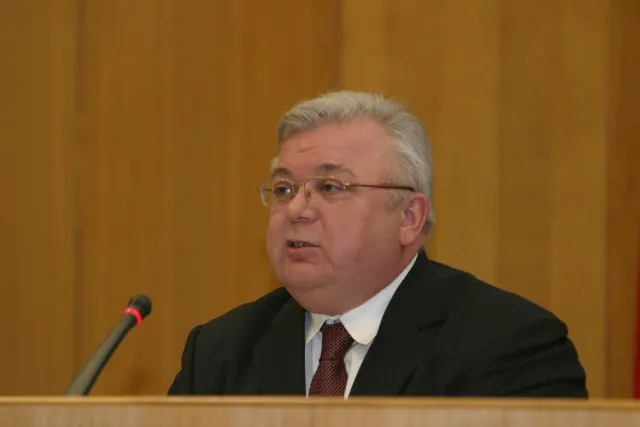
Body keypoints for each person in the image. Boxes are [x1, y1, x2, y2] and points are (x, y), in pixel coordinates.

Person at [168, 91, 588, 398]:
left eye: (330, 187)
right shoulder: (220, 352)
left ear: (409, 217)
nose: (296, 209)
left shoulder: (510, 346)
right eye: (283, 189)